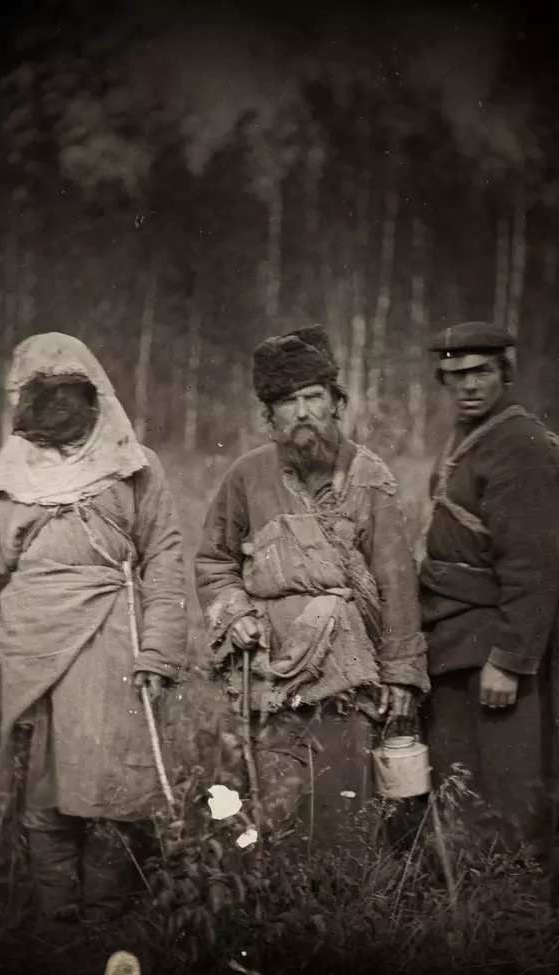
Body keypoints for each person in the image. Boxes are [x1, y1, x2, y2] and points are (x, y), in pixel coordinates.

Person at [0, 332, 188, 925]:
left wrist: (157, 651)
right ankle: (58, 933)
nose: (56, 406)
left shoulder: (134, 465)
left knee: (113, 791)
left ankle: (105, 929)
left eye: (68, 393)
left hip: (114, 648)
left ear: (94, 393)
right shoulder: (5, 479)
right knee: (44, 794)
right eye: (42, 394)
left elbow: (165, 557)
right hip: (29, 657)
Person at [194, 325, 429, 855]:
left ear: (336, 404)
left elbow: (397, 584)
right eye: (287, 402)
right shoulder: (246, 477)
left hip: (349, 675)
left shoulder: (370, 478)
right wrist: (236, 616)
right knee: (266, 800)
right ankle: (269, 900)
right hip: (267, 673)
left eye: (313, 398)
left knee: (341, 801)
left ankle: (339, 909)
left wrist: (402, 678)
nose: (302, 413)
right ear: (269, 415)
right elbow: (213, 561)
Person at [419, 320, 559, 860]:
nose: (469, 385)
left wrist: (509, 660)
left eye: (482, 371)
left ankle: (513, 898)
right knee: (466, 772)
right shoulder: (472, 435)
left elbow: (533, 567)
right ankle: (480, 881)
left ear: (506, 371)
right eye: (456, 375)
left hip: (495, 643)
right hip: (461, 634)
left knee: (509, 779)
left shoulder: (518, 443)